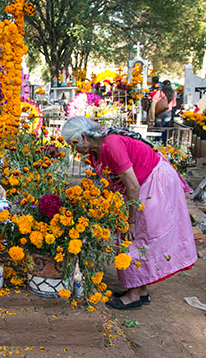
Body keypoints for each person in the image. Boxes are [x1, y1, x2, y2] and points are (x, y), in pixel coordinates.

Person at [61, 117, 197, 310]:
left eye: (73, 144)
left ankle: (134, 296)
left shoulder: (111, 145)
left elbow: (132, 187)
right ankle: (141, 291)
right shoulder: (97, 148)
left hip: (152, 182)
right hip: (144, 182)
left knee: (134, 235)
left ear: (83, 137)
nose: (73, 149)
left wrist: (130, 221)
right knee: (137, 236)